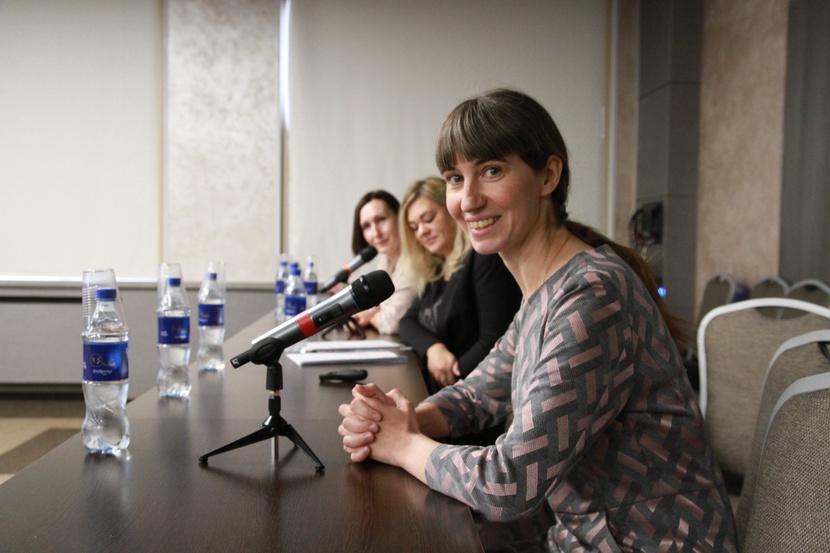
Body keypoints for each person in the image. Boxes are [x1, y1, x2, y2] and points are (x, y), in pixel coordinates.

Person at [339, 89, 738, 552]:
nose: (468, 200)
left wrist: (404, 444)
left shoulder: (592, 294)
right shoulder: (543, 293)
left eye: (492, 171)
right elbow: (477, 395)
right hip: (581, 539)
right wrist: (402, 419)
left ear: (548, 175)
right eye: (455, 178)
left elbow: (509, 484)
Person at [397, 177, 522, 393]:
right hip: (445, 391)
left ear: (452, 211)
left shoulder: (483, 258)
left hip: (474, 393)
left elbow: (494, 340)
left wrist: (450, 378)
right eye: (414, 227)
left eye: (428, 219)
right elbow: (407, 322)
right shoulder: (437, 269)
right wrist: (433, 349)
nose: (422, 231)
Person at [346, 190, 416, 335]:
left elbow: (392, 323)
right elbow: (374, 303)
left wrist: (370, 318)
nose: (375, 233)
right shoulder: (387, 257)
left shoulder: (415, 261)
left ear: (400, 216)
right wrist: (370, 314)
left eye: (381, 220)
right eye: (366, 226)